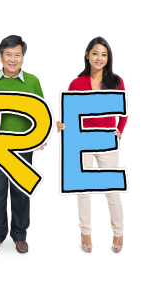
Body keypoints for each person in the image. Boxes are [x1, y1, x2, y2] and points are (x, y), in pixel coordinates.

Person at [0, 35, 45, 254]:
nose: (12, 59)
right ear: (1, 56)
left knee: (20, 191)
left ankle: (20, 235)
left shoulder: (32, 81)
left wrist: (42, 136)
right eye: (8, 54)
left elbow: (43, 111)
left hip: (23, 146)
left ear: (23, 57)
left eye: (17, 55)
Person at [56, 36, 127, 253]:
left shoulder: (116, 81)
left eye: (104, 54)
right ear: (87, 55)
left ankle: (118, 233)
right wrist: (62, 125)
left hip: (106, 139)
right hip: (82, 140)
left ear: (108, 58)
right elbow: (69, 113)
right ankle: (85, 232)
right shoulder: (77, 83)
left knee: (112, 190)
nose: (99, 58)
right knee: (83, 190)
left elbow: (123, 111)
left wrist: (120, 131)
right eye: (95, 53)